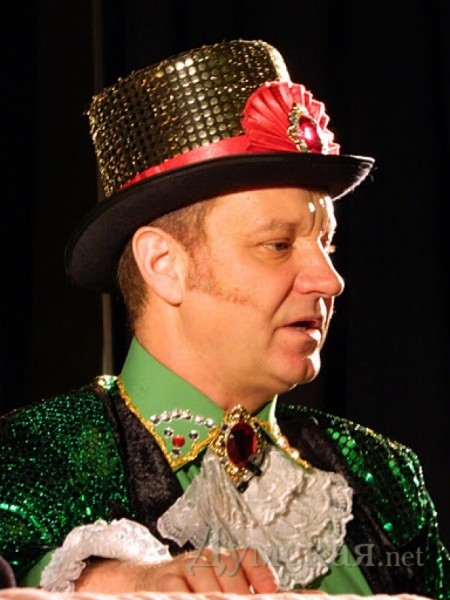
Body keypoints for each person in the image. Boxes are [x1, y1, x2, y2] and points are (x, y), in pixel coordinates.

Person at [0, 39, 448, 598]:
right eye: (278, 244)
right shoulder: (27, 456)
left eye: (326, 243)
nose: (329, 279)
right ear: (164, 265)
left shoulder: (385, 476)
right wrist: (100, 581)